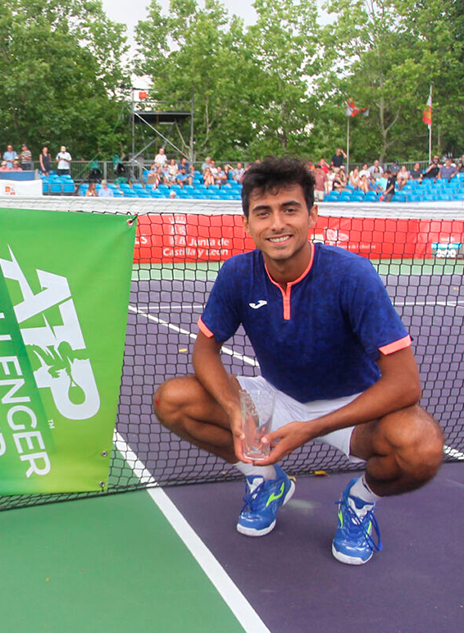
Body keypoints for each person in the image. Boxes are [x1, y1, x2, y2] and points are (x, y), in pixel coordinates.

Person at [153, 157, 443, 566]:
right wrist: (237, 411)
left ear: (312, 215)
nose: (277, 224)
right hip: (278, 394)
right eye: (263, 212)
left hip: (353, 407)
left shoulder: (352, 276)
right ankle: (264, 479)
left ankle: (359, 502)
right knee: (174, 400)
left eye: (290, 209)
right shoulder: (237, 274)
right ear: (247, 223)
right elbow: (205, 348)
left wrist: (310, 428)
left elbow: (405, 384)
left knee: (421, 446)